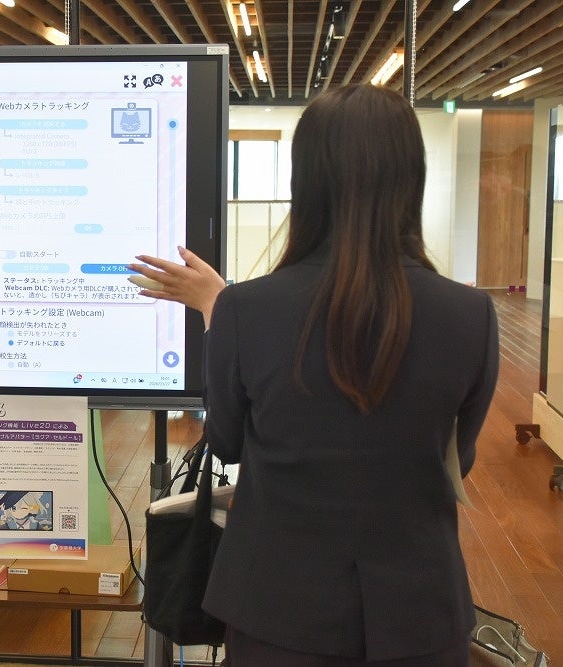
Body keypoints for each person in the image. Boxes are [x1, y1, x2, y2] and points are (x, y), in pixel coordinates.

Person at [130, 84, 499, 665]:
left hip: (277, 609)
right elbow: (459, 458)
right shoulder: (471, 314)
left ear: (304, 183)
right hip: (421, 612)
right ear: (412, 180)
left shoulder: (243, 310)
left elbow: (226, 441)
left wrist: (217, 312)